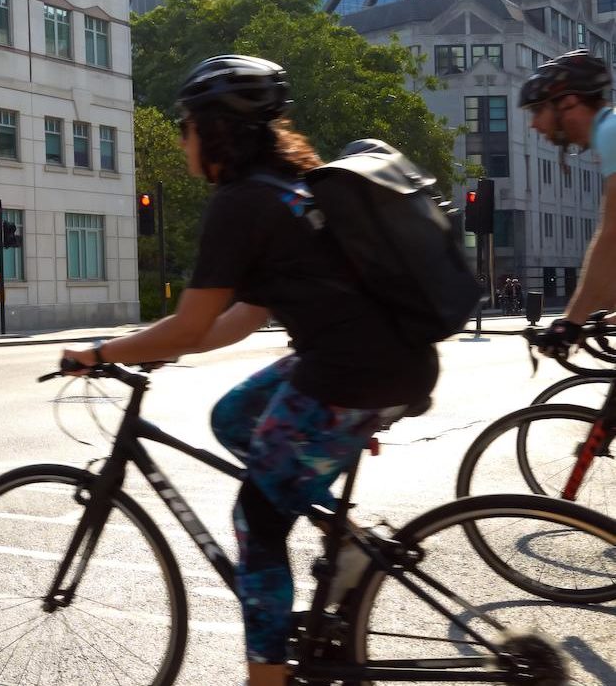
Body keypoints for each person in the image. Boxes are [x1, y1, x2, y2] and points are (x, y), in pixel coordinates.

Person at [59, 56, 438, 686]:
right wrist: (151, 345)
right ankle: (344, 541)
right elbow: (224, 324)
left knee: (255, 522)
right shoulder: (287, 191)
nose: (181, 137)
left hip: (349, 374)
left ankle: (267, 676)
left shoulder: (242, 203)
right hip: (381, 360)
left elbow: (186, 327)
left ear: (213, 131)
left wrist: (99, 354)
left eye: (185, 125)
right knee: (233, 417)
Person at [518, 50, 616, 355]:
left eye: (537, 111)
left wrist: (572, 321)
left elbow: (611, 236)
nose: (534, 125)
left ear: (569, 102)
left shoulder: (611, 133)